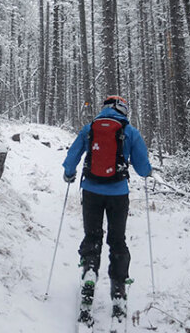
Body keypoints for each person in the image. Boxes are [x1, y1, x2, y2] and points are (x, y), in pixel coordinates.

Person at [62, 95, 152, 322]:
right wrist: (147, 171)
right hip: (118, 194)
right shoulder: (129, 131)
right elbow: (142, 168)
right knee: (117, 240)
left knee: (92, 237)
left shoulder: (90, 128)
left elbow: (73, 155)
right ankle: (119, 289)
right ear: (122, 109)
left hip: (91, 191)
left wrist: (69, 172)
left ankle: (90, 273)